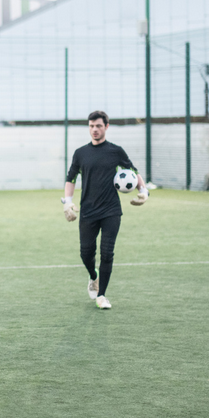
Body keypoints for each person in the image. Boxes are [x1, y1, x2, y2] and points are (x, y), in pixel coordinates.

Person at [63, 110, 148, 310]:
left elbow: (133, 173)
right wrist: (67, 201)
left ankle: (102, 295)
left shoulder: (116, 151)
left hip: (111, 211)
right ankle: (93, 277)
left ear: (106, 127)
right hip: (88, 211)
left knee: (107, 253)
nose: (94, 129)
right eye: (91, 126)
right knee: (86, 253)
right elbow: (71, 178)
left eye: (99, 126)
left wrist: (143, 191)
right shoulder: (80, 153)